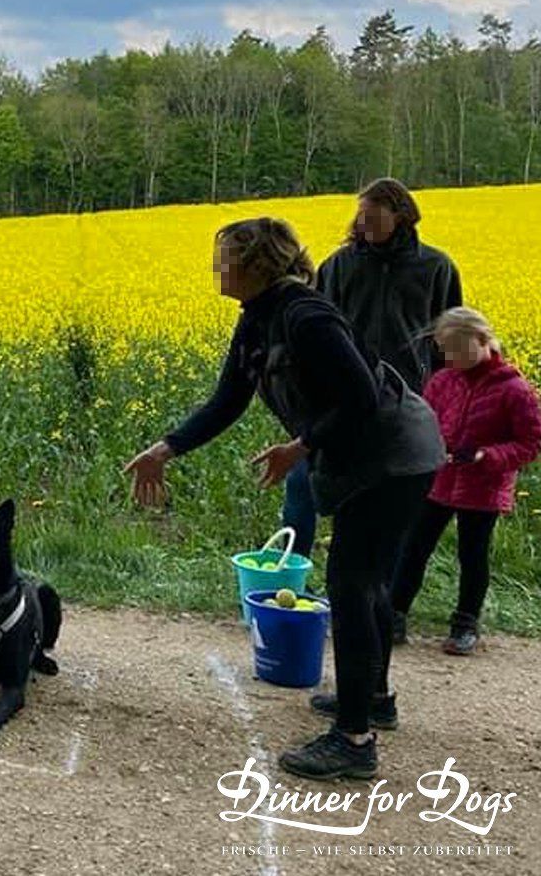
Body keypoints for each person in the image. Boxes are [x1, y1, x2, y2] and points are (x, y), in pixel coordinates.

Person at [123, 217, 444, 780]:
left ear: (255, 263)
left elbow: (363, 396)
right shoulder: (257, 320)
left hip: (395, 454)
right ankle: (371, 699)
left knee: (350, 585)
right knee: (361, 582)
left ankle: (354, 739)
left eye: (223, 257)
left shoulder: (305, 314)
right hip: (372, 456)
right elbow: (228, 401)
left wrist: (301, 445)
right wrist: (163, 450)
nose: (215, 268)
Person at [282, 178, 463, 561]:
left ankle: (381, 590)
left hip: (404, 400)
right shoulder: (338, 266)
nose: (362, 224)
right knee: (302, 483)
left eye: (372, 216)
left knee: (388, 499)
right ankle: (291, 570)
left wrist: (446, 396)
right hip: (340, 397)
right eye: (359, 216)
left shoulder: (435, 267)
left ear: (401, 216)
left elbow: (449, 337)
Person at [391, 308, 541, 655]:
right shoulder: (443, 382)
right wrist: (427, 450)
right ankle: (394, 613)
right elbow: (424, 422)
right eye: (446, 351)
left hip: (483, 486)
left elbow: (529, 443)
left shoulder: (515, 390)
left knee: (472, 554)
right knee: (414, 547)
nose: (452, 358)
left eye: (459, 350)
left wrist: (488, 457)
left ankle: (465, 623)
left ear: (483, 341)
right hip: (438, 480)